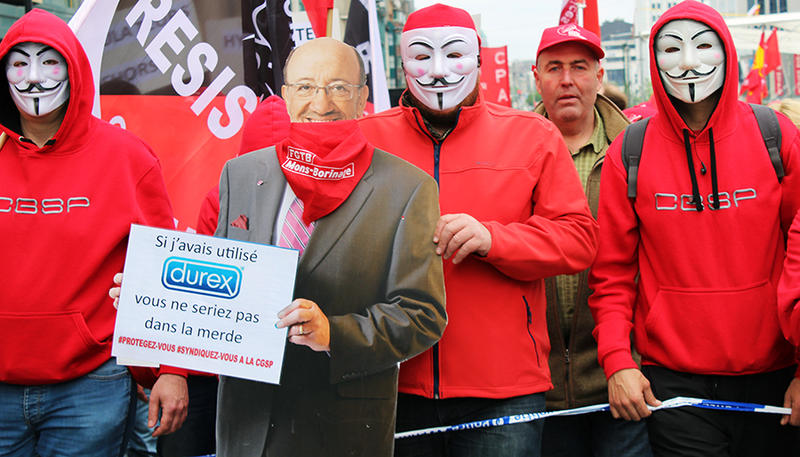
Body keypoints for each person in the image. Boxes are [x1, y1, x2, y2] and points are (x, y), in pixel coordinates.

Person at [359, 4, 598, 456]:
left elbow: (579, 239)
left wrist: (495, 239)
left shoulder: (532, 135)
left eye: (454, 55)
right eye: (422, 57)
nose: (439, 71)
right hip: (392, 381)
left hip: (502, 390)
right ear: (400, 62)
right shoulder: (366, 138)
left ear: (479, 61)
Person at [214, 37, 446, 456]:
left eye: (338, 87)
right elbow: (221, 278)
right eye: (305, 87)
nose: (321, 103)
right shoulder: (241, 174)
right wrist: (150, 297)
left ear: (362, 100)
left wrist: (333, 335)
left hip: (343, 430)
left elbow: (423, 315)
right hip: (248, 423)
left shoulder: (408, 188)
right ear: (285, 97)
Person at [588, 1, 800, 455]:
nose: (688, 62)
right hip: (675, 384)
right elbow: (611, 272)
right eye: (672, 49)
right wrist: (617, 360)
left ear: (727, 50)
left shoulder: (776, 135)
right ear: (653, 57)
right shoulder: (632, 148)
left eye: (704, 46)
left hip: (776, 377)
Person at [0, 9, 187, 457]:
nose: (34, 77)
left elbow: (168, 266)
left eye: (50, 61)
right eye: (20, 63)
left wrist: (172, 368)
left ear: (75, 68)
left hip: (90, 385)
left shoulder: (126, 157)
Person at [531, 24, 652, 457]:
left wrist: (628, 360)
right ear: (536, 75)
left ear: (599, 76)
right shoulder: (513, 154)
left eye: (580, 67)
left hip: (623, 380)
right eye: (555, 67)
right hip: (536, 390)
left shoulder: (639, 150)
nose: (567, 80)